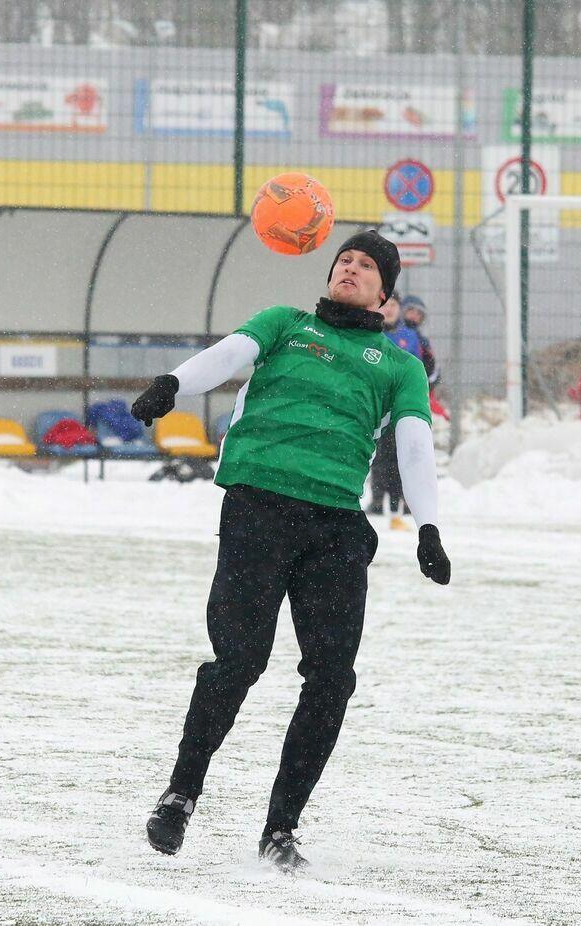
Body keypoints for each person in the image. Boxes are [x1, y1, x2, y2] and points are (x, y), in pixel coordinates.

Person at [131, 230, 451, 870]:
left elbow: (415, 444)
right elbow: (229, 354)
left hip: (335, 527)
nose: (350, 269)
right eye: (343, 260)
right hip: (258, 509)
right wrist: (173, 383)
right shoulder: (286, 324)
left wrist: (429, 527)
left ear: (385, 295)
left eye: (366, 266)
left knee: (332, 680)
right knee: (239, 660)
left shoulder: (399, 367)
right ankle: (181, 794)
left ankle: (281, 829)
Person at [368, 293, 423, 528]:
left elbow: (419, 369)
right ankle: (378, 499)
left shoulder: (409, 336)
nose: (389, 309)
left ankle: (402, 500)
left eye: (393, 305)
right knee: (378, 454)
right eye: (385, 304)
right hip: (377, 406)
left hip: (400, 406)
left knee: (403, 454)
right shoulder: (370, 333)